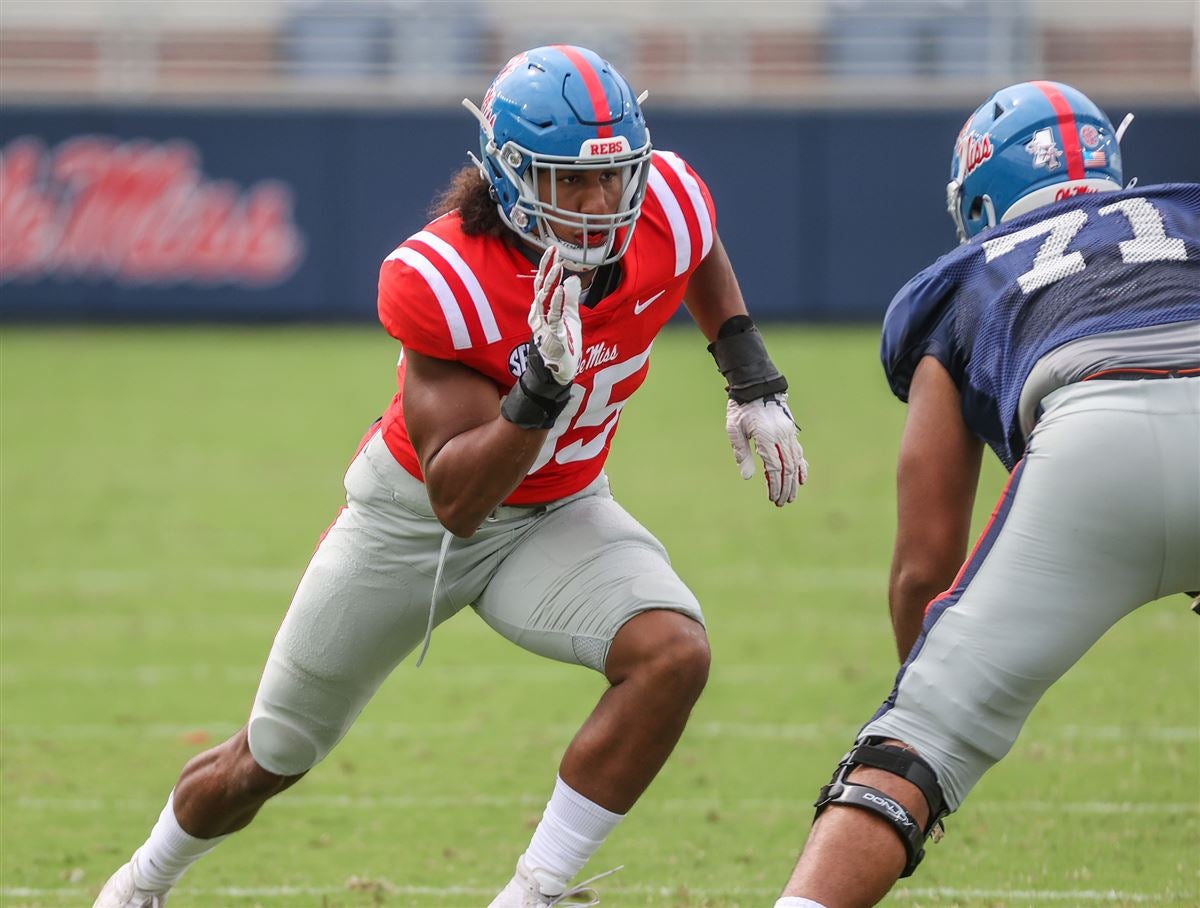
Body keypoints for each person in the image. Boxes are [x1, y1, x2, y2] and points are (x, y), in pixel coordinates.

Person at [95, 45, 807, 908]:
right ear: (509, 176)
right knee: (268, 758)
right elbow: (458, 502)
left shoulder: (665, 204)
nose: (596, 205)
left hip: (561, 508)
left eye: (614, 178)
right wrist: (539, 389)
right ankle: (142, 880)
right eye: (564, 182)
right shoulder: (444, 277)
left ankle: (532, 892)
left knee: (673, 654)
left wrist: (747, 369)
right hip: (417, 521)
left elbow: (692, 246)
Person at [775, 80, 1199, 908]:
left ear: (977, 198)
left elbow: (925, 562)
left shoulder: (963, 275)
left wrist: (930, 701)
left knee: (909, 750)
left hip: (1093, 443)